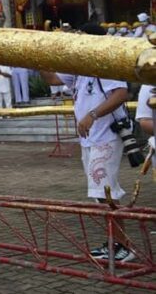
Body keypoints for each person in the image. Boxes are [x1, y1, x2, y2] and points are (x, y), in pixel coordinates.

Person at [39, 23, 132, 262]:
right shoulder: (80, 69)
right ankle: (113, 242)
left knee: (107, 192)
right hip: (91, 139)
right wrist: (36, 53)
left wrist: (92, 115)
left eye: (81, 38)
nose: (76, 43)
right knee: (100, 194)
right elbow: (51, 78)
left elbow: (121, 94)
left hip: (107, 136)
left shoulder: (105, 65)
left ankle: (125, 246)